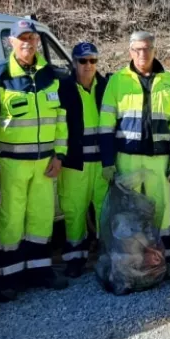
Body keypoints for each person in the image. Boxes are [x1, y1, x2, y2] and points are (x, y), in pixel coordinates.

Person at [0, 20, 70, 301]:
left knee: (41, 217)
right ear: (10, 42)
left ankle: (40, 270)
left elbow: (60, 118)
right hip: (12, 164)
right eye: (21, 38)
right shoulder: (0, 76)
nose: (27, 42)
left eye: (31, 37)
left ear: (37, 41)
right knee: (11, 220)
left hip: (45, 164)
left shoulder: (50, 75)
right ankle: (8, 278)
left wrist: (60, 155)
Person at [99, 31, 170, 279]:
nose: (142, 54)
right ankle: (132, 264)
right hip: (127, 158)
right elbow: (105, 125)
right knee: (130, 213)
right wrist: (108, 161)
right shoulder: (117, 81)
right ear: (130, 52)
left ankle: (164, 261)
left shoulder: (169, 81)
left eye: (146, 48)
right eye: (137, 49)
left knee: (161, 210)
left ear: (154, 50)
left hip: (159, 159)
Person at [56, 42, 109, 278]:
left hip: (101, 163)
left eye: (93, 61)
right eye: (83, 61)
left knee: (104, 210)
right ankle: (74, 259)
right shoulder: (63, 88)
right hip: (75, 163)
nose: (88, 66)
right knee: (74, 211)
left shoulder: (106, 86)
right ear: (74, 63)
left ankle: (107, 255)